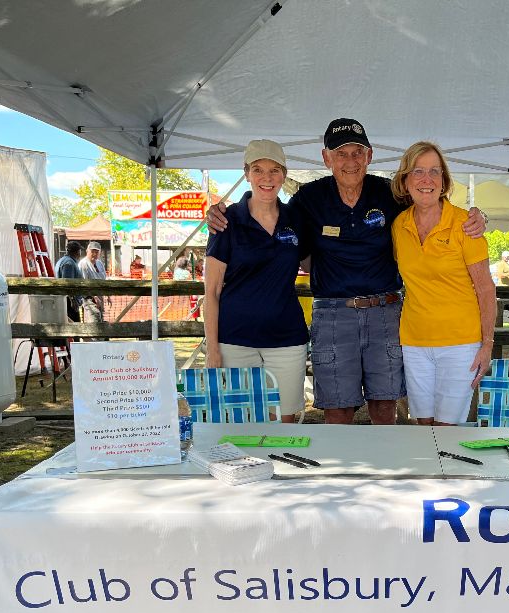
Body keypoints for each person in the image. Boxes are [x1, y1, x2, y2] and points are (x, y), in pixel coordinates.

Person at [207, 118, 486, 424]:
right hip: (333, 314)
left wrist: (478, 215)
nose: (350, 161)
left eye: (357, 153)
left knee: (384, 405)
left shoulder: (391, 193)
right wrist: (220, 212)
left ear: (370, 155)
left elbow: (430, 198)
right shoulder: (307, 200)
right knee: (337, 409)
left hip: (385, 310)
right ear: (326, 158)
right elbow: (268, 212)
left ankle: (384, 471)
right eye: (341, 154)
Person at [390, 141, 495, 425]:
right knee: (423, 427)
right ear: (405, 180)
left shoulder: (465, 224)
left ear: (444, 180)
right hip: (414, 343)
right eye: (418, 172)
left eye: (435, 172)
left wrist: (487, 345)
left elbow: (486, 289)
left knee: (447, 430)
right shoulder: (399, 225)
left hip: (460, 345)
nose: (427, 180)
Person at [204, 139, 309, 423]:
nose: (267, 178)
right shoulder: (227, 221)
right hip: (235, 340)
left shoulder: (295, 219)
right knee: (243, 425)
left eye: (275, 170)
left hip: (287, 339)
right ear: (246, 172)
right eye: (259, 170)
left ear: (284, 175)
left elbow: (315, 263)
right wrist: (213, 349)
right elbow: (211, 292)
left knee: (284, 423)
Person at [54, 241, 84, 322]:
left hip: (66, 300)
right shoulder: (69, 263)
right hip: (69, 303)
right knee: (75, 329)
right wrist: (73, 300)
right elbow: (67, 283)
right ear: (77, 252)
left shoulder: (63, 260)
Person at [78, 241, 107, 323]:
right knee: (95, 316)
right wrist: (94, 296)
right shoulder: (83, 264)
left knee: (100, 317)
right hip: (88, 297)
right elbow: (84, 283)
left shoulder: (100, 263)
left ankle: (101, 335)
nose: (94, 254)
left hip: (100, 294)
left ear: (100, 253)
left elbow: (104, 279)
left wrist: (108, 295)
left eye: (97, 252)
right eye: (92, 251)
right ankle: (94, 335)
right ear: (87, 251)